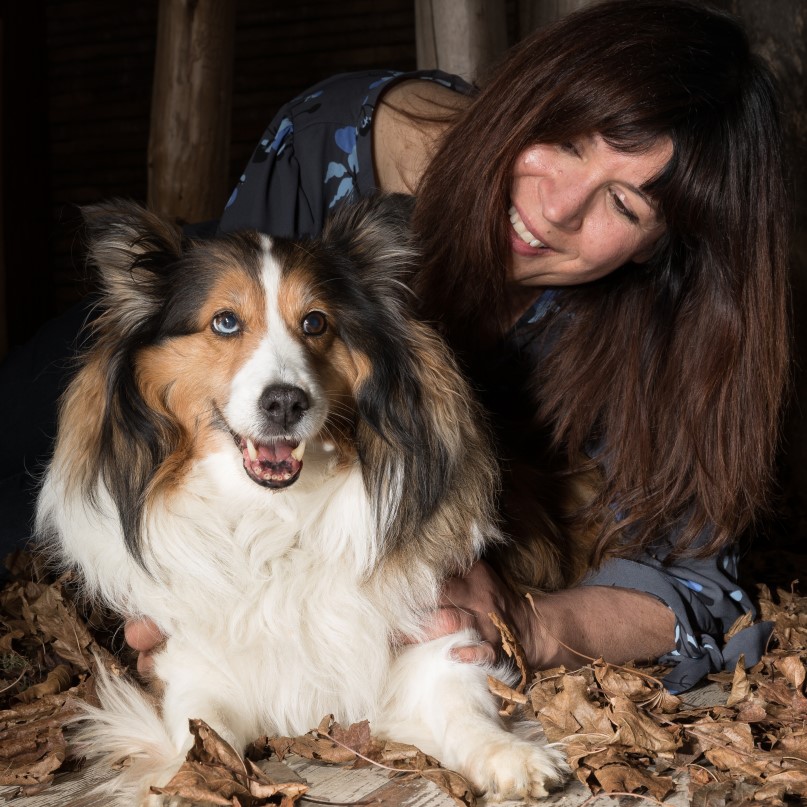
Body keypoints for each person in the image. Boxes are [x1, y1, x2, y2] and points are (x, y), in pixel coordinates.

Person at [7, 0, 791, 694]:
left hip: (460, 511)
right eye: (562, 140)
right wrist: (179, 596)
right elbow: (237, 367)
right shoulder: (337, 139)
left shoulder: (668, 322)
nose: (554, 208)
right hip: (98, 378)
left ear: (663, 245)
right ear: (523, 99)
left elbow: (698, 590)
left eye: (621, 202)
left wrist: (527, 622)